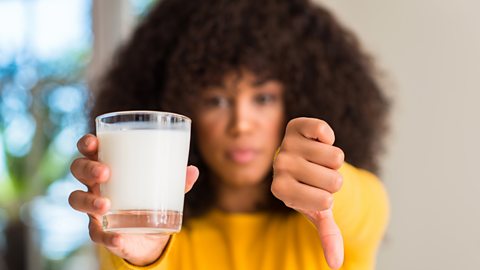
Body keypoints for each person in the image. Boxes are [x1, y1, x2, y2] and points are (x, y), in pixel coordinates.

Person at [68, 0, 390, 269]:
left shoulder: (337, 221)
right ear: (183, 108)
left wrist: (326, 187)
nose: (241, 124)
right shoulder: (136, 225)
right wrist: (146, 259)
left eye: (263, 98)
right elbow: (128, 249)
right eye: (217, 100)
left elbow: (364, 207)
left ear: (295, 103)